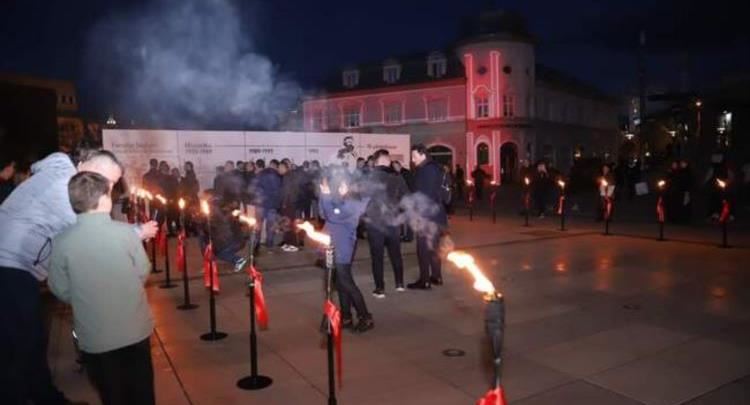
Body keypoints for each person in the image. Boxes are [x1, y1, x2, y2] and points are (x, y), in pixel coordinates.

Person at [0, 149, 157, 405]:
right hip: (9, 264)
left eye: (113, 184)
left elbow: (62, 280)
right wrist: (137, 232)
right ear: (88, 169)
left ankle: (42, 394)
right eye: (108, 181)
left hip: (15, 262)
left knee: (29, 340)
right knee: (18, 344)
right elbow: (93, 232)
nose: (109, 188)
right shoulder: (64, 188)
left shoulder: (62, 176)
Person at [48, 171, 155, 405]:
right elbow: (143, 270)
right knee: (142, 392)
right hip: (134, 329)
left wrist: (81, 296)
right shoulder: (126, 234)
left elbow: (58, 287)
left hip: (94, 336)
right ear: (105, 200)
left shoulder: (61, 241)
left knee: (111, 394)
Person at [318, 174, 374, 332]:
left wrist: (326, 195)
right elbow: (323, 213)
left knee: (347, 283)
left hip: (343, 247)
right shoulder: (340, 200)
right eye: (339, 186)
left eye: (343, 186)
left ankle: (365, 316)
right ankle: (346, 316)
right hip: (334, 245)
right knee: (341, 284)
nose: (340, 189)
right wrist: (325, 195)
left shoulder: (354, 203)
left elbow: (334, 215)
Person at [363, 149, 409, 298]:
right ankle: (400, 284)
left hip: (375, 223)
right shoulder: (397, 177)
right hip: (392, 222)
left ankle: (380, 289)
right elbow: (406, 198)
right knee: (396, 254)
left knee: (377, 257)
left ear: (375, 162)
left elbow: (362, 199)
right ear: (388, 161)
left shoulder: (369, 178)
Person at [407, 144, 447, 290]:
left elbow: (425, 196)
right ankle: (436, 277)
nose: (412, 160)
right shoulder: (435, 167)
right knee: (433, 248)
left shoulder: (426, 170)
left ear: (422, 155)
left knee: (422, 249)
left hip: (427, 217)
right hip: (436, 215)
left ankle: (424, 281)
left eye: (414, 156)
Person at [253, 159, 282, 250]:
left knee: (258, 225)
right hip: (272, 205)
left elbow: (255, 188)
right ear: (276, 166)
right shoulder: (278, 176)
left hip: (260, 204)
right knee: (270, 226)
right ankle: (269, 244)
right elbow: (278, 192)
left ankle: (256, 243)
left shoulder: (260, 174)